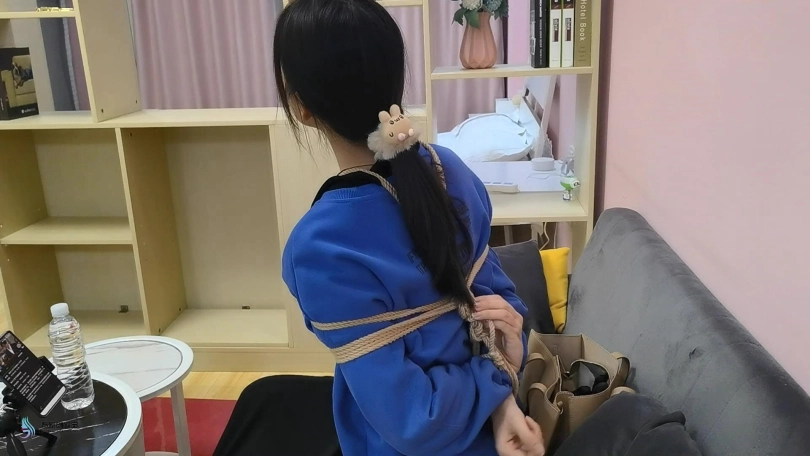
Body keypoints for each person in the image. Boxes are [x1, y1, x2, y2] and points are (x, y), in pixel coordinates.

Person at [276, 0, 545, 455]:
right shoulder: (449, 169)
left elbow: (415, 420)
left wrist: (497, 388)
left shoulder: (321, 247)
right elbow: (502, 308)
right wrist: (500, 393)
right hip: (502, 423)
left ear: (301, 107)